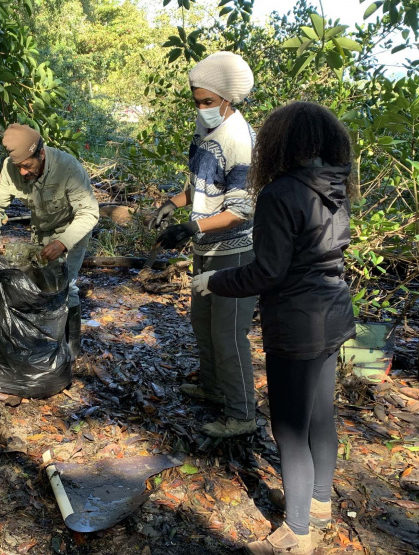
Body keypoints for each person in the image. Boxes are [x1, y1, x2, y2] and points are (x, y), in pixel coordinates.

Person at [192, 101, 357, 554]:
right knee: (321, 418)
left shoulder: (282, 193)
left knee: (288, 429)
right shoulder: (336, 184)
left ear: (282, 143)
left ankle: (296, 533)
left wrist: (214, 281)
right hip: (335, 313)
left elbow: (267, 272)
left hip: (298, 323)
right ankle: (320, 506)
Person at [149, 51, 258, 438]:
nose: (201, 108)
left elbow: (240, 211)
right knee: (203, 324)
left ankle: (242, 414)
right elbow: (196, 183)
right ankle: (213, 388)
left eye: (208, 102)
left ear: (227, 99)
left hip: (235, 253)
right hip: (206, 250)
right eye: (197, 101)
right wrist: (171, 204)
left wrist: (191, 228)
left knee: (229, 335)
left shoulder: (239, 139)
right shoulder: (205, 126)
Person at [0, 123, 99, 358]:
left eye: (27, 165)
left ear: (41, 154)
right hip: (42, 230)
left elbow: (89, 213)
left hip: (73, 229)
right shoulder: (11, 168)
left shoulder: (68, 168)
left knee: (67, 285)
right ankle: (44, 345)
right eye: (19, 166)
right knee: (39, 284)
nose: (22, 172)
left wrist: (63, 242)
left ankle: (70, 351)